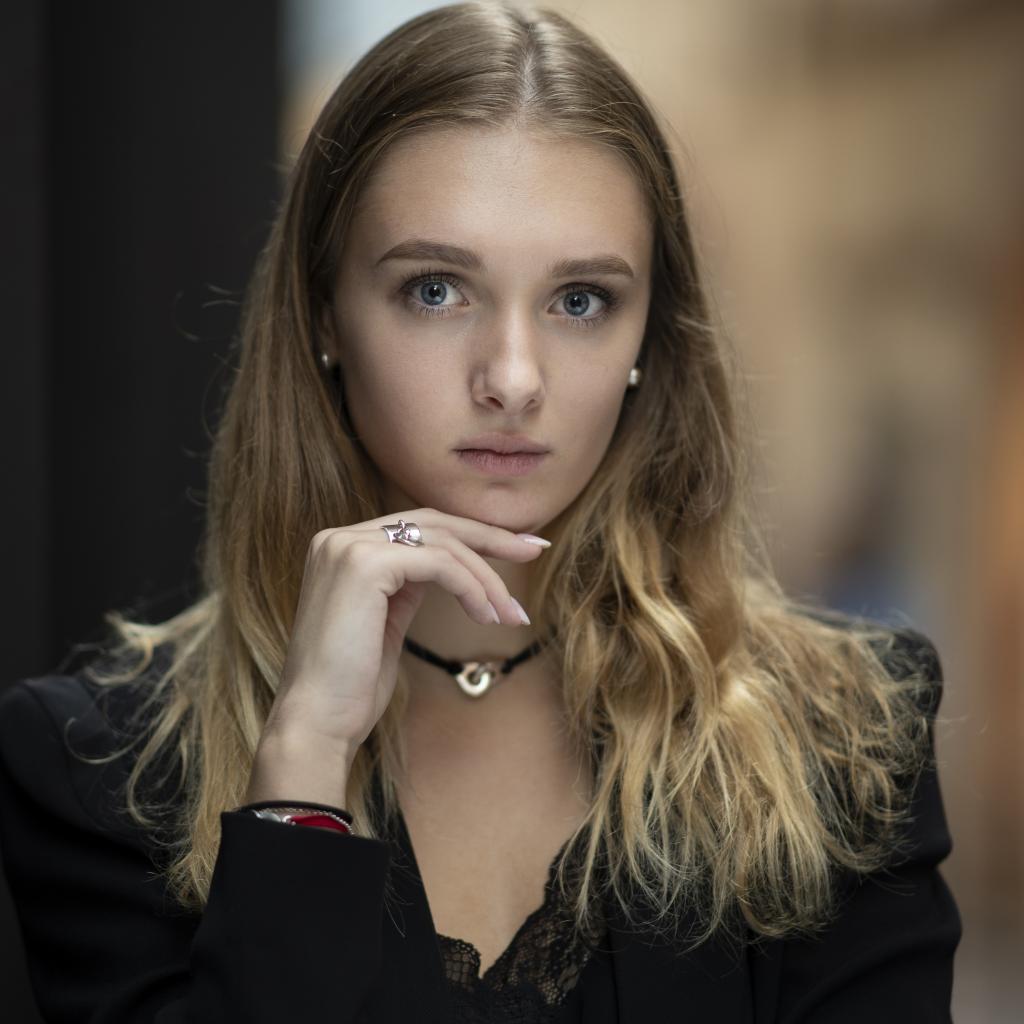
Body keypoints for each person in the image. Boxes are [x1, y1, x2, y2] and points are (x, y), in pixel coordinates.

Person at [0, 2, 960, 1021]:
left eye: (580, 300)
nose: (512, 378)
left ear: (649, 337)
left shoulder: (846, 735)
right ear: (323, 314)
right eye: (435, 290)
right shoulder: (100, 767)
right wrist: (300, 767)